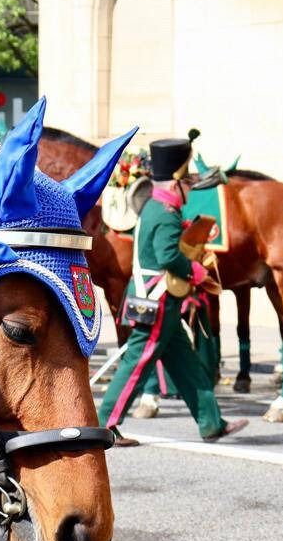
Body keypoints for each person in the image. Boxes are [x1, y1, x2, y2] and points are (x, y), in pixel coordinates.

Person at [97, 135, 248, 443]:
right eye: (188, 181)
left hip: (157, 299)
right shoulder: (166, 215)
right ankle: (104, 424)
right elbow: (167, 256)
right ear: (176, 182)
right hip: (158, 300)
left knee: (187, 365)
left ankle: (211, 423)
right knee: (138, 362)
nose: (191, 187)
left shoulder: (156, 207)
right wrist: (196, 270)